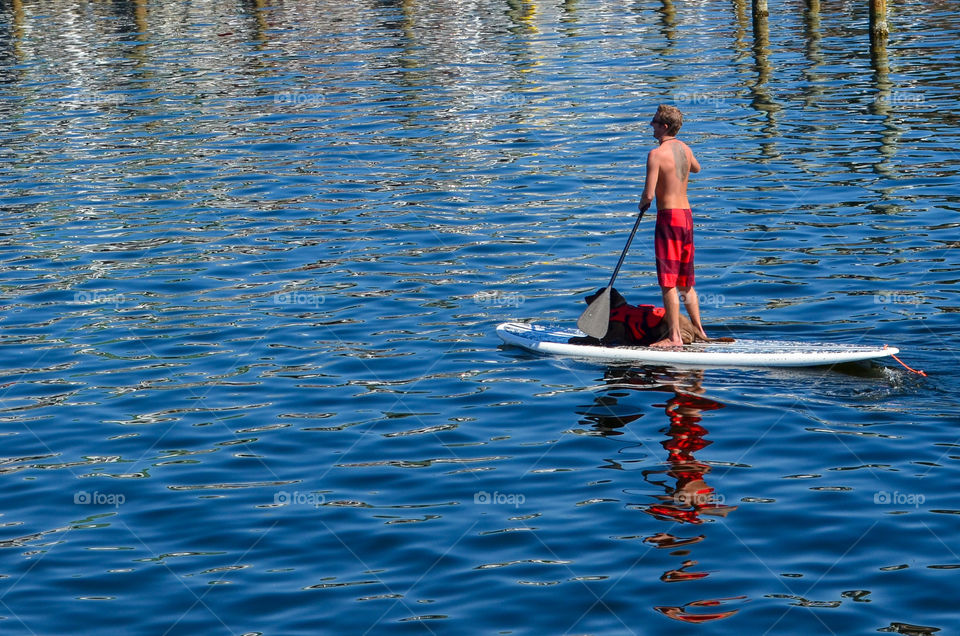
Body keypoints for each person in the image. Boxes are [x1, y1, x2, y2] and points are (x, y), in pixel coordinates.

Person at [638, 104, 708, 347]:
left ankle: (675, 337)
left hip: (668, 219)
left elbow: (648, 195)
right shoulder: (685, 149)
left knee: (668, 281)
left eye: (655, 122)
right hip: (687, 217)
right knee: (685, 281)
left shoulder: (655, 154)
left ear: (664, 127)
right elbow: (696, 168)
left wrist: (643, 204)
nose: (651, 125)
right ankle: (700, 331)